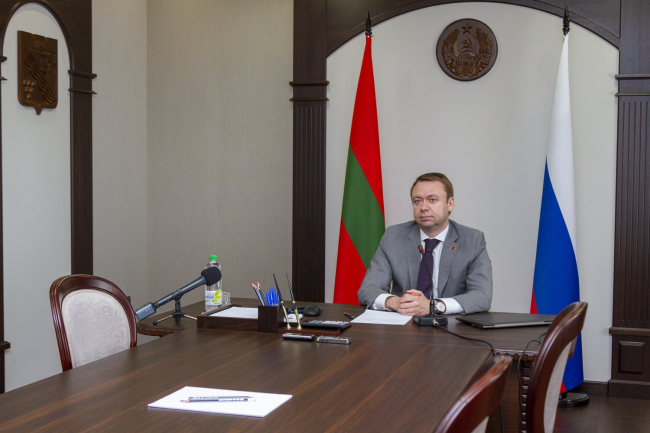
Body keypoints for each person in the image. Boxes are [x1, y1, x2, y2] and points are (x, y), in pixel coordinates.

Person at [357, 173, 492, 315]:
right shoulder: (393, 237)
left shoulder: (472, 240)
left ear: (450, 204)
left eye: (432, 200)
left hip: (449, 325)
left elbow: (482, 296)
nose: (423, 207)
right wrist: (396, 302)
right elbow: (368, 289)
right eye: (418, 201)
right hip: (404, 322)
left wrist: (434, 306)